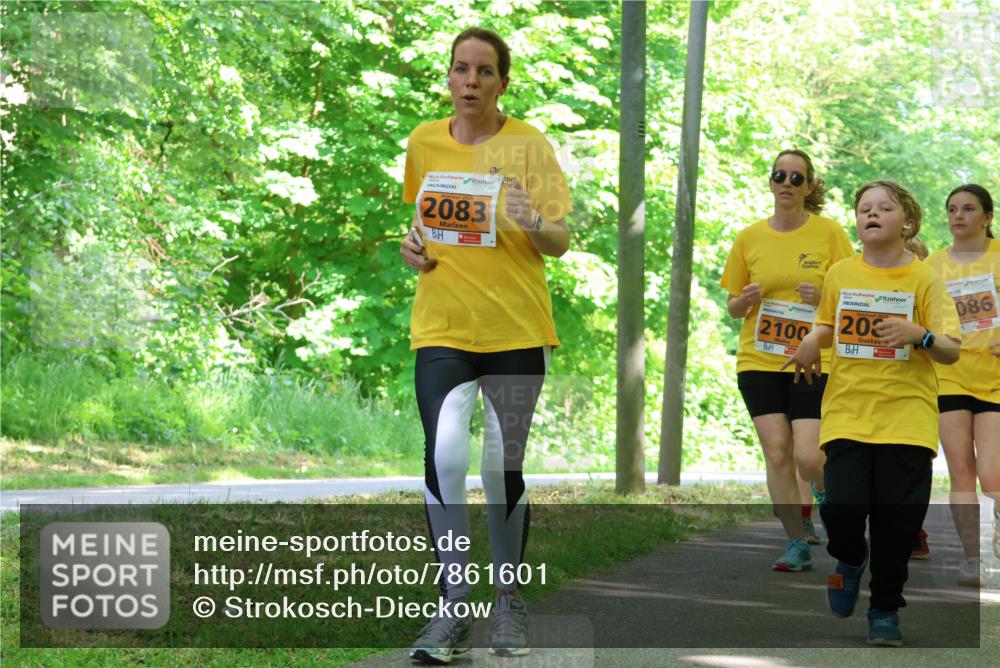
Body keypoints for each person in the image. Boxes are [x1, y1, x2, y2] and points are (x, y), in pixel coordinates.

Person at [399, 27, 571, 663]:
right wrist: (410, 248)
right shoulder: (424, 141)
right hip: (442, 325)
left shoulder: (529, 145)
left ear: (503, 82)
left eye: (484, 71)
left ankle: (508, 603)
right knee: (443, 458)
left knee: (502, 470)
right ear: (449, 77)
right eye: (461, 69)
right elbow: (420, 224)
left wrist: (530, 218)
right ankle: (451, 609)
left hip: (515, 330)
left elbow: (558, 240)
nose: (470, 80)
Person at [783, 180, 961, 646]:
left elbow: (950, 350)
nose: (872, 214)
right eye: (865, 209)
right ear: (858, 221)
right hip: (847, 412)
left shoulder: (925, 278)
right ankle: (849, 556)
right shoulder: (841, 273)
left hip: (907, 418)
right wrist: (808, 341)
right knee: (842, 508)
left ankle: (884, 608)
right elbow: (827, 324)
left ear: (908, 223)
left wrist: (918, 334)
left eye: (884, 208)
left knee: (897, 526)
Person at [721, 149, 853, 571]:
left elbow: (851, 296)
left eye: (797, 178)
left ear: (809, 186)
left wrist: (824, 297)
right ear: (771, 181)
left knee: (809, 457)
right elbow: (733, 306)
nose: (787, 184)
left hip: (814, 357)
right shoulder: (749, 237)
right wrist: (744, 300)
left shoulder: (830, 234)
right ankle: (796, 541)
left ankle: (825, 490)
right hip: (759, 359)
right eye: (780, 175)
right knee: (776, 452)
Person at [926, 184, 999, 587]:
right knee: (960, 471)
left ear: (987, 217)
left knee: (993, 475)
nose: (958, 216)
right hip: (949, 372)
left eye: (968, 209)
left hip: (994, 377)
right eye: (952, 208)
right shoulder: (934, 264)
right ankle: (972, 558)